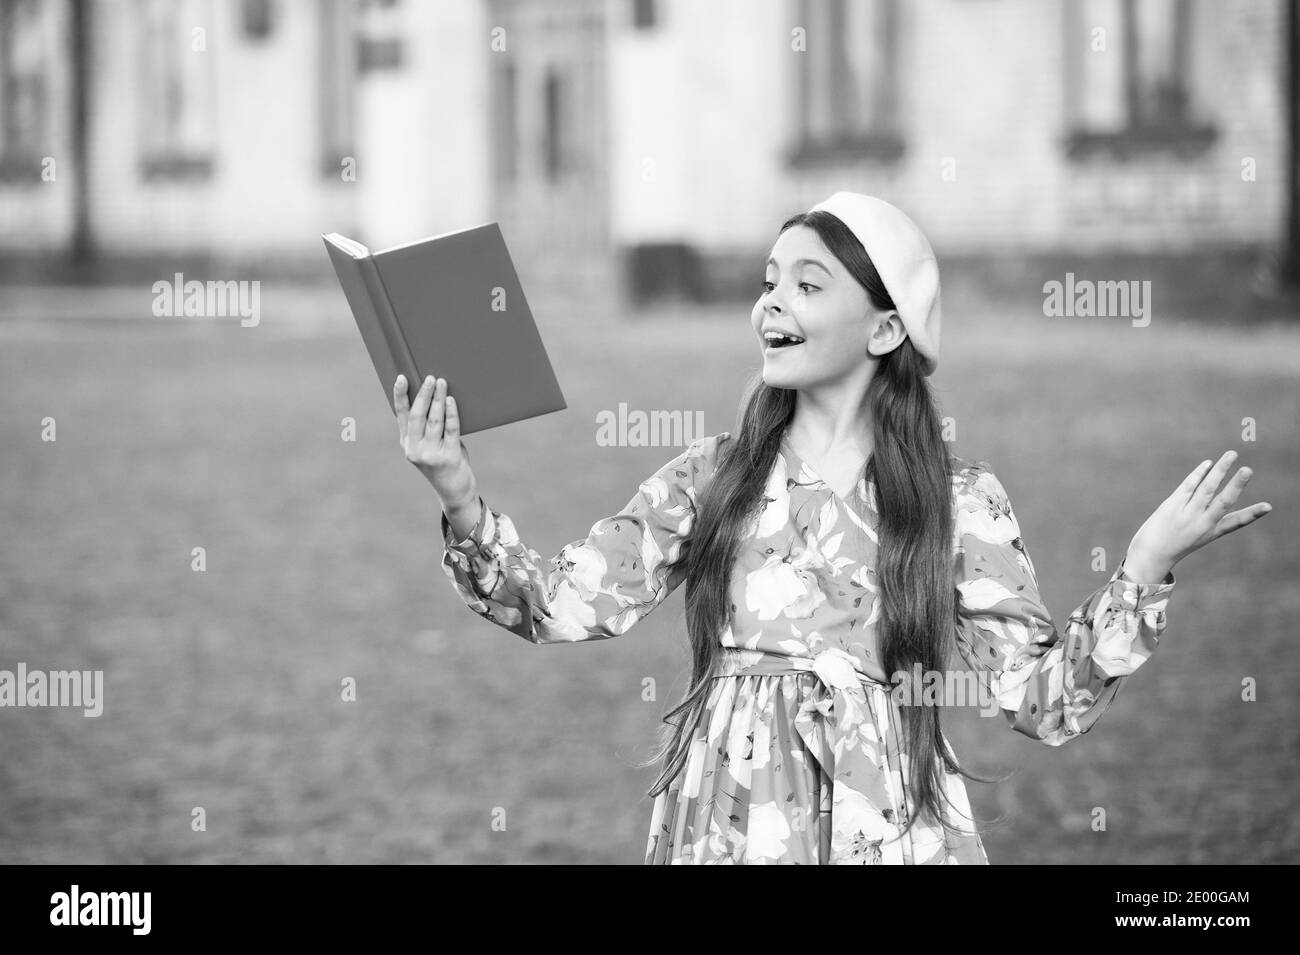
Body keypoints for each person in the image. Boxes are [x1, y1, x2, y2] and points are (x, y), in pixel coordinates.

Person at [392, 192, 1272, 864]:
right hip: (730, 824)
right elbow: (557, 603)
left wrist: (1144, 567)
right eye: (769, 280)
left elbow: (1041, 703)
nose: (771, 303)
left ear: (886, 327)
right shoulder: (710, 477)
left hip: (885, 826)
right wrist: (459, 490)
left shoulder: (958, 501)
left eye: (808, 284)